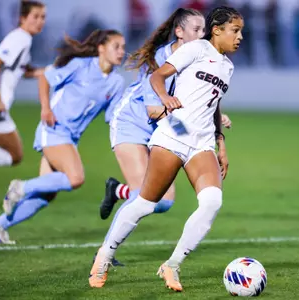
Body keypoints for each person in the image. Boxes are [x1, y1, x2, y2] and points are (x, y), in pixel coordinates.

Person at [89, 6, 243, 292]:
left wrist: (221, 144)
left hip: (201, 143)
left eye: (241, 31)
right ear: (217, 29)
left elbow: (214, 104)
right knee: (146, 204)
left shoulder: (227, 67)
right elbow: (157, 77)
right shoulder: (195, 49)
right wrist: (164, 98)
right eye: (235, 30)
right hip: (173, 136)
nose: (240, 37)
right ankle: (105, 255)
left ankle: (171, 265)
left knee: (212, 202)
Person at [0, 30, 126, 245]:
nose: (121, 51)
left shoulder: (116, 82)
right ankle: (21, 187)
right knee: (75, 178)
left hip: (70, 137)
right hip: (53, 129)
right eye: (116, 46)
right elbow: (45, 78)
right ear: (101, 48)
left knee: (45, 196)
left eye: (123, 47)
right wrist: (45, 109)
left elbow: (112, 115)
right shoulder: (80, 65)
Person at [99, 8, 232, 221]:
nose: (202, 35)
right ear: (179, 32)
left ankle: (116, 191)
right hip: (131, 123)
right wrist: (192, 130)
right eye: (196, 30)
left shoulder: (196, 59)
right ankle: (103, 254)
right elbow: (153, 111)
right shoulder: (162, 59)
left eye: (203, 30)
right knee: (141, 198)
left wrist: (211, 116)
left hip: (160, 128)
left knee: (164, 202)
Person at [0, 1, 46, 167]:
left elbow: (22, 70)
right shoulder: (20, 38)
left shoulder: (24, 39)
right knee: (14, 155)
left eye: (43, 17)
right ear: (23, 18)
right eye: (35, 16)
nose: (40, 21)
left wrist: (45, 71)